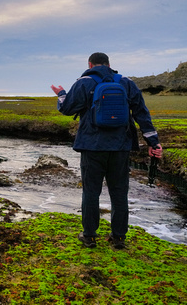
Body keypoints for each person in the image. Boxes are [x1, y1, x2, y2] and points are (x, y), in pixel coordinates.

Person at [50, 52, 163, 249]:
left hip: (91, 146)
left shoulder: (84, 82)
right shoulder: (126, 82)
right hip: (121, 146)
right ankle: (119, 238)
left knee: (91, 192)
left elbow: (67, 109)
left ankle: (89, 237)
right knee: (119, 193)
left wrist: (61, 94)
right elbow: (141, 114)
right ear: (109, 64)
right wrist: (153, 142)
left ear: (90, 64)